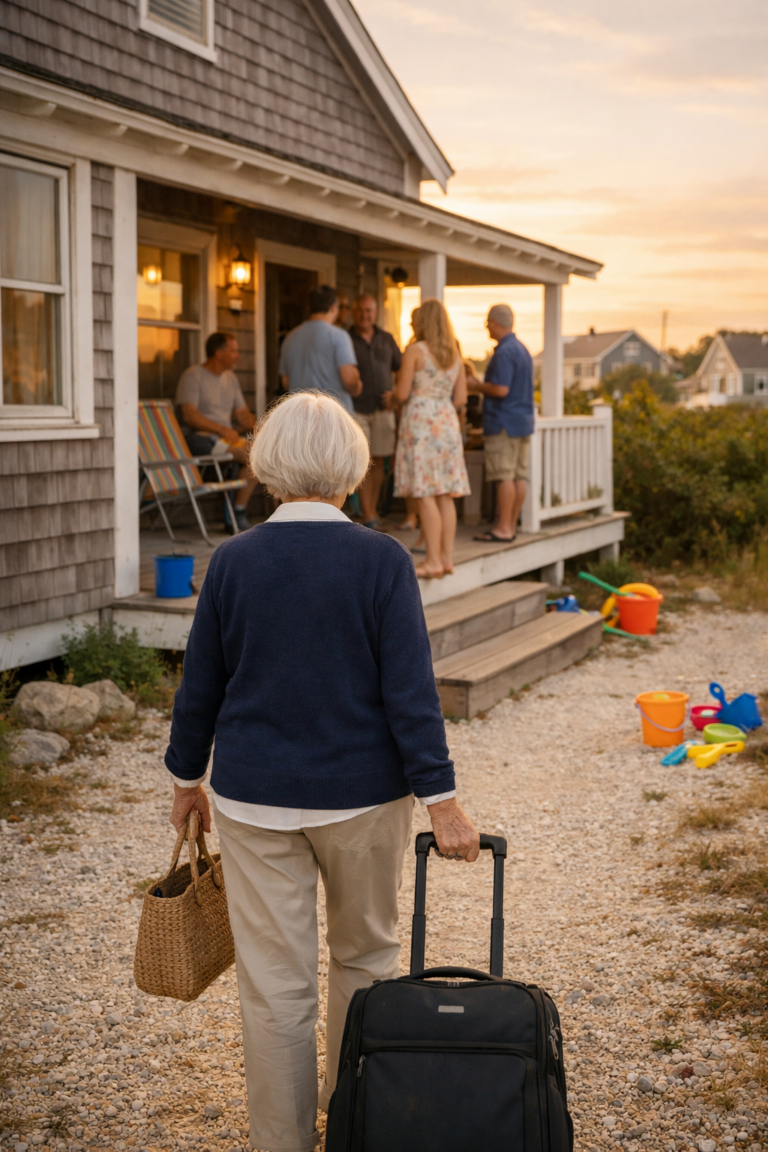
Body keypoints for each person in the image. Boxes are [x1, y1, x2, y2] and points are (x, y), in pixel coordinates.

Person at [165, 391, 479, 1152]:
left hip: (253, 799)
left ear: (268, 466)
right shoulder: (381, 561)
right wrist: (443, 802)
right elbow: (410, 695)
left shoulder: (232, 561)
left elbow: (199, 684)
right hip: (363, 800)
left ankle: (282, 1143)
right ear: (348, 466)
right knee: (365, 961)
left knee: (275, 985)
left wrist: (185, 782)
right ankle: (357, 1129)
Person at [394, 298, 470, 579]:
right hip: (447, 422)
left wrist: (393, 396)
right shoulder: (455, 355)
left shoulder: (415, 351)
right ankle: (446, 559)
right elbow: (461, 398)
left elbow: (402, 394)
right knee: (444, 494)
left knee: (425, 493)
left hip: (421, 422)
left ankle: (433, 560)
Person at [176, 332, 257, 533]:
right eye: (234, 351)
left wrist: (258, 425)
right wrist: (221, 428)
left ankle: (237, 510)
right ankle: (235, 515)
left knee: (261, 454)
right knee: (253, 455)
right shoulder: (193, 376)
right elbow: (189, 415)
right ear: (218, 353)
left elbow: (242, 414)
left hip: (226, 438)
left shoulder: (231, 378)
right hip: (199, 438)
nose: (238, 355)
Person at [471, 304, 534, 542]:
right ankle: (511, 527)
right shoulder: (522, 349)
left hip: (504, 423)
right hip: (522, 422)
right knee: (518, 476)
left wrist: (476, 385)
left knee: (504, 476)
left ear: (496, 323)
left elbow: (500, 389)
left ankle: (504, 528)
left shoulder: (505, 352)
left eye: (488, 322)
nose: (487, 326)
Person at [349, 294, 402, 529]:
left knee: (379, 461)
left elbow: (401, 369)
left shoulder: (387, 339)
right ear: (354, 312)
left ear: (376, 312)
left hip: (383, 409)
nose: (365, 315)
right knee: (362, 460)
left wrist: (397, 393)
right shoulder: (346, 338)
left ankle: (373, 511)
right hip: (356, 408)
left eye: (369, 310)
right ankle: (368, 514)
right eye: (360, 310)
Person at [279, 285, 362, 414]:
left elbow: (286, 382)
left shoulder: (290, 338)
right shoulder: (338, 336)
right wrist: (357, 387)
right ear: (334, 307)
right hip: (334, 416)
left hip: (300, 415)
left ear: (309, 308)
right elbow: (349, 379)